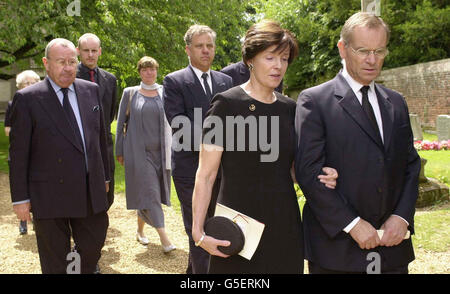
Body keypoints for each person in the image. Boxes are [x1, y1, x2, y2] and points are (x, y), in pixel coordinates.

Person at [191, 20, 338, 274]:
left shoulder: (290, 109)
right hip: (239, 229)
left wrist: (322, 175)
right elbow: (206, 175)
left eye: (284, 59)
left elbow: (292, 169)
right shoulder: (225, 105)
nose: (278, 66)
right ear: (250, 59)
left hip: (284, 226)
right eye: (270, 57)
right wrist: (198, 232)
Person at [294, 12, 421, 274]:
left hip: (391, 249)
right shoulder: (314, 101)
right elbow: (308, 172)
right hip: (337, 251)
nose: (372, 60)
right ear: (343, 48)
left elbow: (410, 164)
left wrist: (402, 217)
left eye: (380, 51)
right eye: (363, 50)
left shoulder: (396, 102)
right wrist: (351, 223)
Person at [9, 38, 110, 274]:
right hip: (49, 193)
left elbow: (101, 139)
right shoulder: (28, 99)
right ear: (46, 63)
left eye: (72, 62)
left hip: (89, 190)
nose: (68, 67)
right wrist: (20, 198)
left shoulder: (91, 91)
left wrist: (104, 177)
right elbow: (19, 152)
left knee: (93, 244)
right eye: (61, 62)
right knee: (54, 259)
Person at [163, 24, 233, 274]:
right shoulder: (174, 81)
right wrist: (221, 142)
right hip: (190, 171)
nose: (205, 51)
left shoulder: (226, 81)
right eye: (199, 46)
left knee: (217, 227)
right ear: (188, 50)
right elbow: (179, 125)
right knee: (200, 228)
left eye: (210, 46)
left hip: (223, 171)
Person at [115, 56, 175, 253]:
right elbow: (121, 124)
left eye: (152, 69)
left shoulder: (164, 92)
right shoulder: (130, 93)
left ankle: (140, 231)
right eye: (145, 69)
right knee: (151, 192)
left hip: (162, 153)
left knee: (148, 193)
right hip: (138, 153)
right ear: (140, 72)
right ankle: (164, 238)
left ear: (157, 71)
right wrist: (119, 151)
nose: (149, 73)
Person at [77, 33, 117, 209]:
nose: (90, 55)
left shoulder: (110, 80)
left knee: (107, 193)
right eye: (86, 50)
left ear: (100, 52)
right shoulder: (70, 78)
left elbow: (110, 114)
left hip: (104, 145)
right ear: (78, 51)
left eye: (94, 50)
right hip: (78, 143)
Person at [5, 70, 40, 235]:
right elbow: (8, 130)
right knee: (22, 184)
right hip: (22, 149)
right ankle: (23, 221)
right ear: (19, 86)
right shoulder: (14, 104)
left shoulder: (43, 102)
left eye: (33, 82)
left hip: (38, 152)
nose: (30, 86)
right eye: (27, 83)